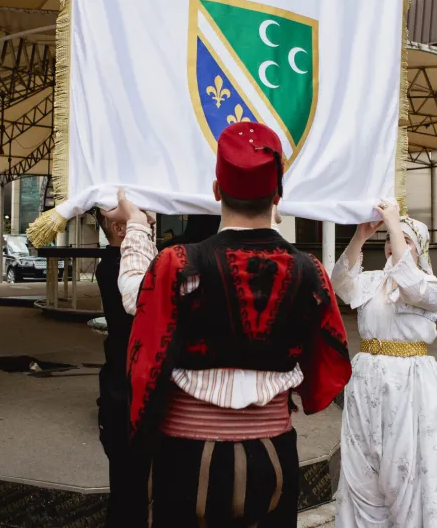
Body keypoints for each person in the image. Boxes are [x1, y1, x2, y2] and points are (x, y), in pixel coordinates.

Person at [104, 121, 352, 527]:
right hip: (273, 453)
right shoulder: (309, 270)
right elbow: (327, 359)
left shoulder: (180, 264)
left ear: (217, 190)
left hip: (188, 455)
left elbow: (135, 294)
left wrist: (135, 224)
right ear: (278, 195)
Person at [333, 204, 437, 528]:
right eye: (389, 238)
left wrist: (394, 224)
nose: (392, 243)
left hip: (409, 384)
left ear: (421, 247)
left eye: (404, 239)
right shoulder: (372, 281)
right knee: (362, 467)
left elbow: (409, 283)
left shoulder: (429, 286)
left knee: (405, 468)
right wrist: (359, 237)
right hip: (366, 381)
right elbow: (340, 283)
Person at [92, 208, 152, 527]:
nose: (151, 222)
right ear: (119, 228)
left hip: (122, 389)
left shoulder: (113, 264)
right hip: (125, 393)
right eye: (143, 216)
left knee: (130, 487)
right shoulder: (116, 268)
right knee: (130, 490)